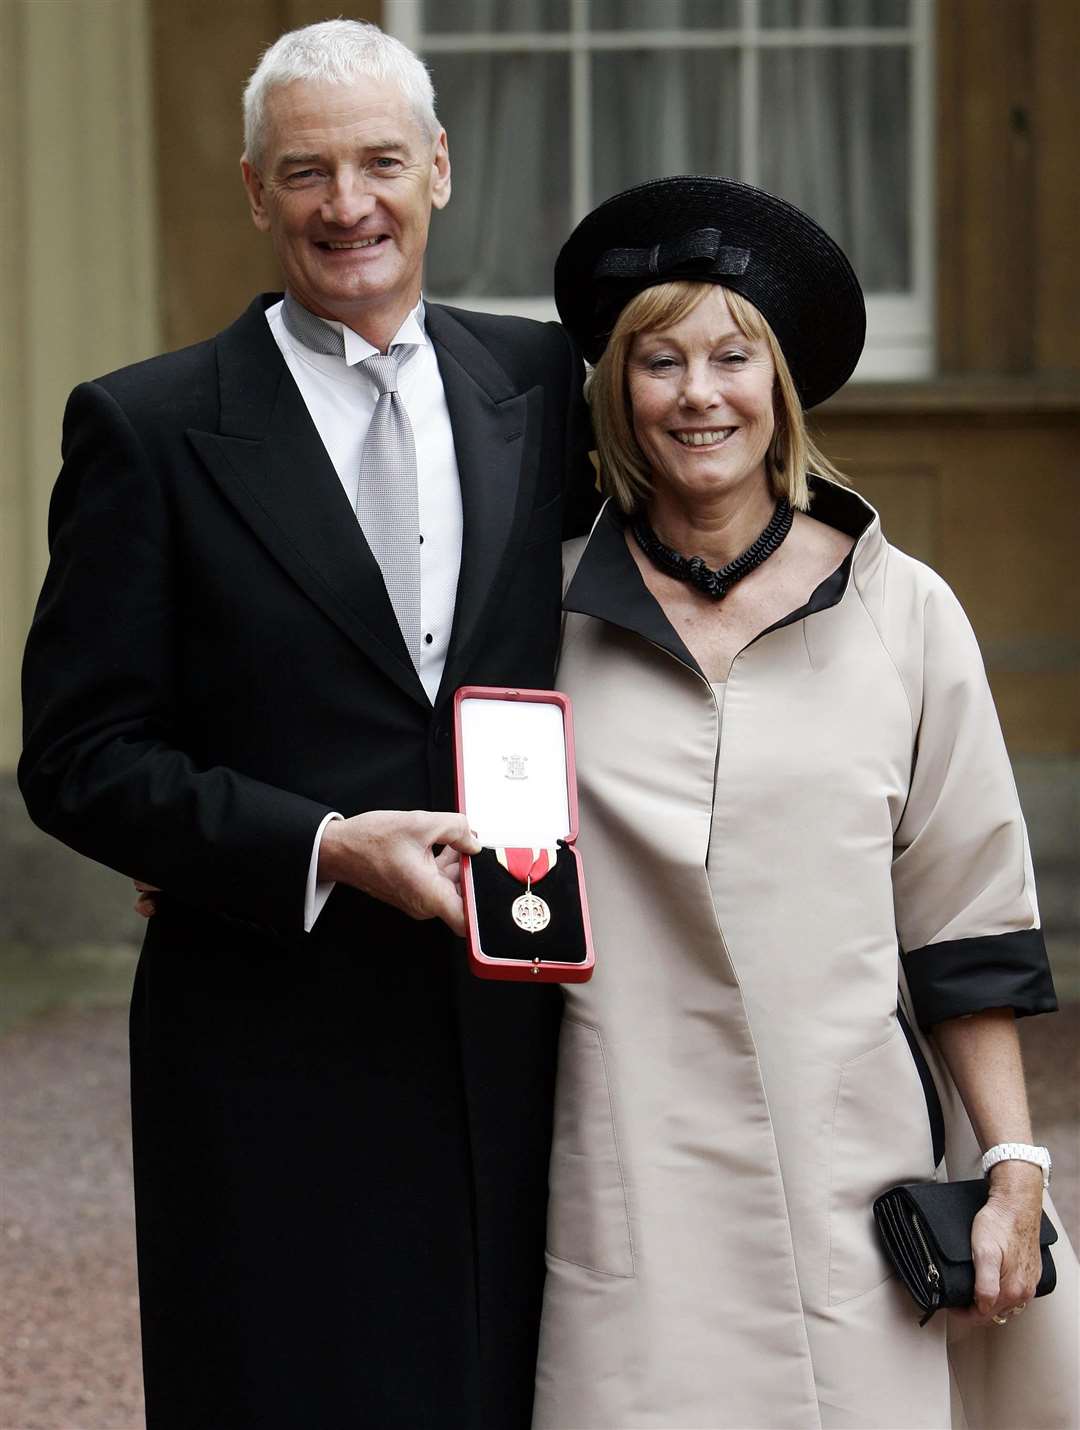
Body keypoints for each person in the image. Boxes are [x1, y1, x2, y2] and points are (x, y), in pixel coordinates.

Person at [19, 20, 595, 1430]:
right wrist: (321, 846)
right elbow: (79, 757)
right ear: (254, 192)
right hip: (270, 1049)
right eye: (308, 171)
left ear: (441, 171)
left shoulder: (541, 386)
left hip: (514, 1036)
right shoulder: (148, 429)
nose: (350, 204)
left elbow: (694, 541)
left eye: (382, 162)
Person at [531, 177, 1077, 1430]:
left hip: (849, 1179)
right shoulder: (536, 613)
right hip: (615, 1172)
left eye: (733, 355)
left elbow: (968, 924)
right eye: (659, 360)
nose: (698, 392)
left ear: (779, 384)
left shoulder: (908, 611)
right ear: (618, 390)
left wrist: (1011, 1163)